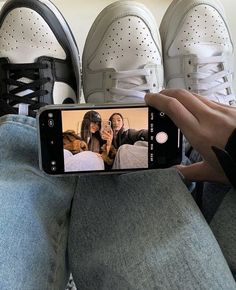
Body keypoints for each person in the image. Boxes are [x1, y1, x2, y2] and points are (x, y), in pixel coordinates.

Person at [1, 1, 236, 290]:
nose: (111, 125)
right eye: (109, 120)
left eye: (115, 119)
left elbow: (132, 140)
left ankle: (19, 137)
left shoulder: (128, 134)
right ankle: (197, 139)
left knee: (124, 166)